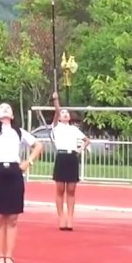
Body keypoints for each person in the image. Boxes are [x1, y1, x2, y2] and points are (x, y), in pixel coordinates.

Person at [0, 72, 41, 263]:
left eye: (8, 110)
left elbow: (38, 145)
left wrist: (28, 162)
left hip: (14, 173)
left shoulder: (19, 131)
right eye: (1, 109)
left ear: (13, 115)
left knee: (13, 218)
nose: (5, 111)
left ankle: (9, 256)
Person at [48, 97, 89, 231]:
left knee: (71, 190)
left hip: (72, 157)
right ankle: (61, 218)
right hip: (61, 156)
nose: (65, 114)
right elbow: (57, 110)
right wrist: (56, 101)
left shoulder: (74, 129)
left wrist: (80, 149)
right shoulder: (56, 127)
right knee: (60, 189)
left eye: (67, 113)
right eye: (62, 113)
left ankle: (70, 219)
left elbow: (86, 140)